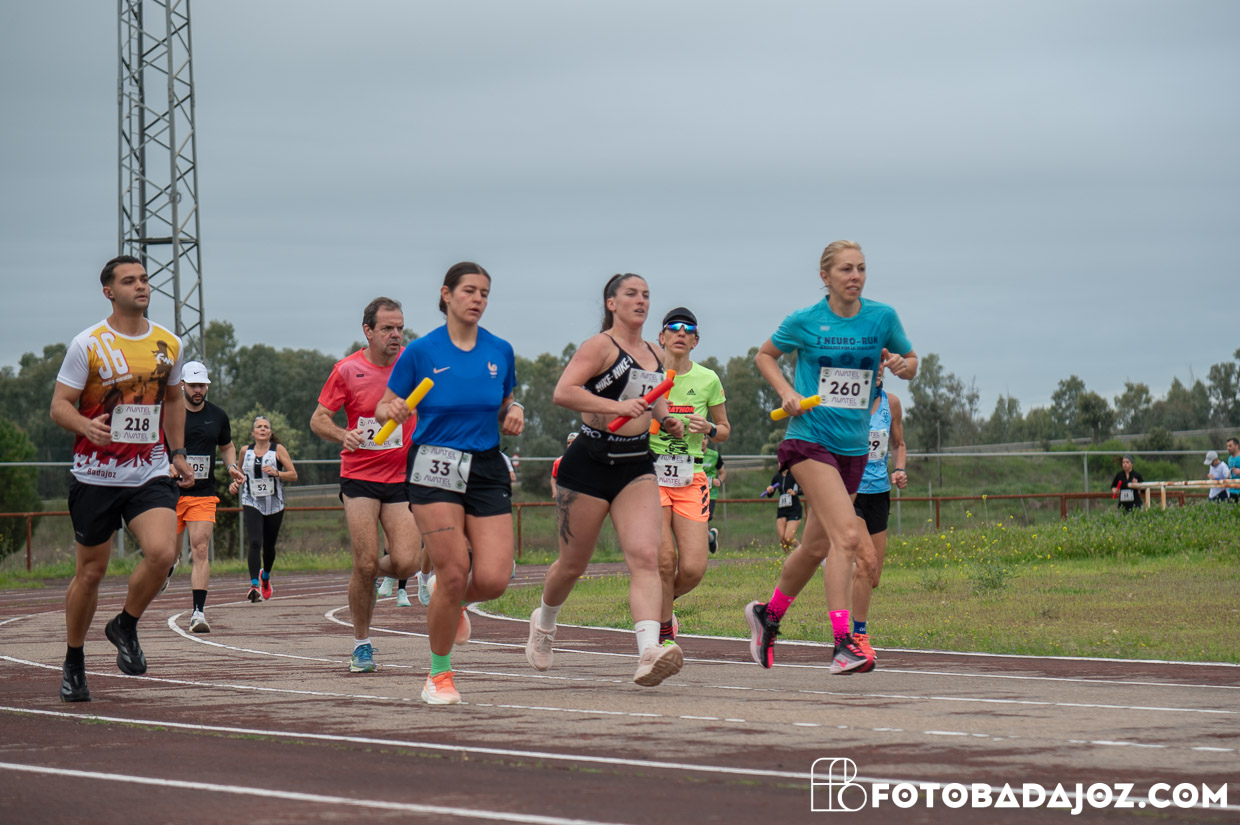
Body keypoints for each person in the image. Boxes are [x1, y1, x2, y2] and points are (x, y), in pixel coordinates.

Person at [745, 240, 916, 674]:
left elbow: (913, 361)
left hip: (853, 449)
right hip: (809, 440)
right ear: (825, 276)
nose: (855, 276)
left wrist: (903, 364)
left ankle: (768, 615)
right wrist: (786, 391)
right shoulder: (805, 320)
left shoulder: (882, 317)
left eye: (861, 268)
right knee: (847, 537)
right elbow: (764, 355)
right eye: (845, 269)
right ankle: (843, 643)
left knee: (815, 546)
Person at [524, 273, 687, 687]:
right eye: (631, 294)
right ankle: (544, 623)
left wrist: (667, 419)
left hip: (635, 465)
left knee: (646, 558)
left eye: (646, 295)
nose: (641, 301)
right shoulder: (599, 347)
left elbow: (653, 396)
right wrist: (616, 406)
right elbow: (564, 392)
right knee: (572, 565)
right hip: (589, 463)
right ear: (611, 303)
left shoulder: (655, 352)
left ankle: (648, 652)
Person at [375, 262, 524, 705]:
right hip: (435, 463)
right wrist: (392, 410)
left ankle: (449, 597)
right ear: (446, 294)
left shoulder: (500, 350)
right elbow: (384, 406)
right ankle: (438, 675)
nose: (477, 299)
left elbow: (505, 403)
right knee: (455, 568)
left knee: (494, 579)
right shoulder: (421, 351)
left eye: (484, 293)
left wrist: (515, 412)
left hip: (486, 465)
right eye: (469, 291)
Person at [49, 255, 195, 702]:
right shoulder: (88, 344)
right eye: (130, 281)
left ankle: (125, 625)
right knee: (91, 573)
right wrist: (84, 425)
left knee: (163, 553)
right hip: (95, 475)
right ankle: (74, 661)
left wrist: (178, 452)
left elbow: (174, 401)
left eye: (144, 279)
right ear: (109, 292)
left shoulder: (169, 343)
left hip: (148, 470)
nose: (141, 286)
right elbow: (59, 405)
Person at [311, 297, 424, 672]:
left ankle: (370, 572)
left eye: (400, 328)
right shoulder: (347, 370)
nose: (396, 335)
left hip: (401, 476)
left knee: (406, 562)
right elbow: (318, 419)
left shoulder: (412, 365)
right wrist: (342, 434)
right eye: (387, 328)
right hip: (359, 477)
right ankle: (362, 645)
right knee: (364, 561)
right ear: (368, 331)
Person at [649, 306, 730, 645]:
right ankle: (663, 632)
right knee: (665, 560)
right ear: (661, 337)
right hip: (650, 474)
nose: (681, 333)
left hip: (690, 475)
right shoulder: (647, 375)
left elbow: (724, 430)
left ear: (695, 341)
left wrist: (709, 428)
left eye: (688, 329)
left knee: (694, 568)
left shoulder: (708, 379)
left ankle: (657, 605)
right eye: (674, 327)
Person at [170, 361, 245, 633]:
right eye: (193, 386)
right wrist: (168, 466)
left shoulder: (218, 416)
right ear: (182, 385)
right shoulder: (170, 414)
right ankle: (169, 564)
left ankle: (198, 613)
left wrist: (232, 466)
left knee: (200, 549)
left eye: (202, 385)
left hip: (202, 494)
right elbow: (155, 448)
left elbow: (227, 446)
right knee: (166, 553)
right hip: (169, 493)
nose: (198, 390)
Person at [848, 370, 907, 664]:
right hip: (851, 493)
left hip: (879, 493)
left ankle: (840, 567)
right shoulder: (848, 402)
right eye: (874, 363)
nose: (879, 369)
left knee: (873, 578)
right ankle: (859, 636)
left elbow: (898, 444)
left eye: (882, 363)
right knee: (867, 563)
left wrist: (900, 469)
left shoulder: (891, 403)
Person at [229, 417, 297, 599]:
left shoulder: (278, 450)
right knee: (254, 542)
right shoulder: (245, 451)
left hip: (274, 503)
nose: (262, 429)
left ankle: (265, 576)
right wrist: (235, 483)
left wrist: (277, 472)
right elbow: (240, 473)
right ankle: (254, 586)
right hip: (251, 501)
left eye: (266, 427)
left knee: (269, 546)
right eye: (259, 427)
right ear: (253, 433)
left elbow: (293, 475)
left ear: (270, 432)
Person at [762, 468, 803, 552]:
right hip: (782, 509)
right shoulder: (777, 477)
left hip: (794, 509)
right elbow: (770, 494)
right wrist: (769, 490)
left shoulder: (795, 475)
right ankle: (789, 557)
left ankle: (802, 551)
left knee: (788, 538)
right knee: (782, 539)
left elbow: (806, 489)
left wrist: (795, 493)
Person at [702, 438, 726, 553]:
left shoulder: (714, 455)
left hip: (710, 494)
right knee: (698, 523)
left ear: (707, 440)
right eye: (700, 438)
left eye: (704, 438)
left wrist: (719, 481)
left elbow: (723, 472)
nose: (702, 441)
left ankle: (709, 539)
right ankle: (711, 537)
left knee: (703, 521)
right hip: (693, 494)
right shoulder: (690, 454)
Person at [549, 432, 578, 499]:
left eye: (573, 442)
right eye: (568, 442)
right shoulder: (559, 461)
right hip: (565, 498)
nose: (570, 444)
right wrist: (554, 491)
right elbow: (553, 477)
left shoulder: (587, 460)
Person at [1226, 438, 1240, 503]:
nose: (1228, 448)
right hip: (1232, 490)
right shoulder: (1230, 459)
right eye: (1227, 446)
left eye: (1230, 446)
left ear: (1236, 446)